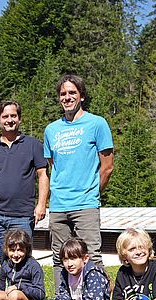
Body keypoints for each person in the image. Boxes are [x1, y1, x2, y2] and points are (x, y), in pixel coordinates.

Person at [44, 74, 114, 286]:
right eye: (63, 94)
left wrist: (92, 192)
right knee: (59, 258)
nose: (67, 97)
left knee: (91, 256)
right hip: (58, 205)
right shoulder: (51, 130)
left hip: (85, 204)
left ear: (81, 96)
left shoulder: (97, 124)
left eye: (72, 92)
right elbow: (53, 166)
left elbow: (107, 167)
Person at [0, 101, 49, 262]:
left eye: (13, 116)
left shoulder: (33, 145)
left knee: (21, 262)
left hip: (23, 216)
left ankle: (18, 288)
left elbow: (43, 175)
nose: (9, 120)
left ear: (19, 119)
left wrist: (41, 204)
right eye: (5, 116)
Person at [0, 229, 45, 300]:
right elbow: (0, 289)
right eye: (12, 250)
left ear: (27, 249)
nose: (16, 254)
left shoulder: (33, 266)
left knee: (14, 295)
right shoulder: (6, 265)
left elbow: (40, 293)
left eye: (20, 250)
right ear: (6, 250)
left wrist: (19, 286)